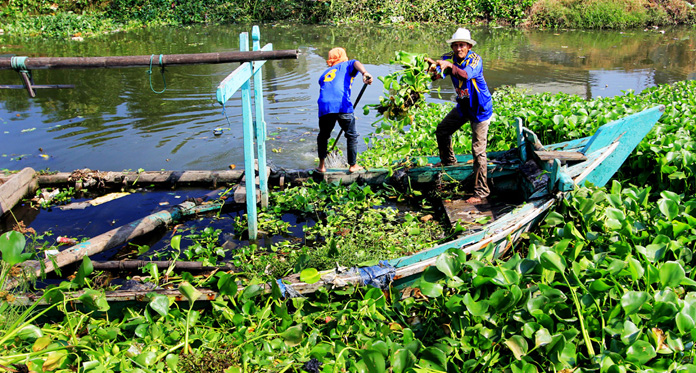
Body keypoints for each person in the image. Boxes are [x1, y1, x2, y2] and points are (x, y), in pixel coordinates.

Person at [425, 28, 493, 204]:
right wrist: (433, 68)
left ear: (469, 46)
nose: (458, 49)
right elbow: (437, 77)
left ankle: (481, 192)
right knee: (442, 130)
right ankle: (449, 162)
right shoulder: (449, 58)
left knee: (478, 151)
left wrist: (448, 66)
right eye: (455, 45)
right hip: (464, 106)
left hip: (480, 108)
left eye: (461, 45)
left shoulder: (475, 60)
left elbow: (465, 74)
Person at [316, 47, 373, 173]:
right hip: (342, 104)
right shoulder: (347, 64)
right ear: (343, 57)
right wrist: (364, 73)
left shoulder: (324, 74)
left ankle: (321, 166)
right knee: (351, 135)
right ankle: (353, 165)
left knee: (323, 136)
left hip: (325, 106)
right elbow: (355, 63)